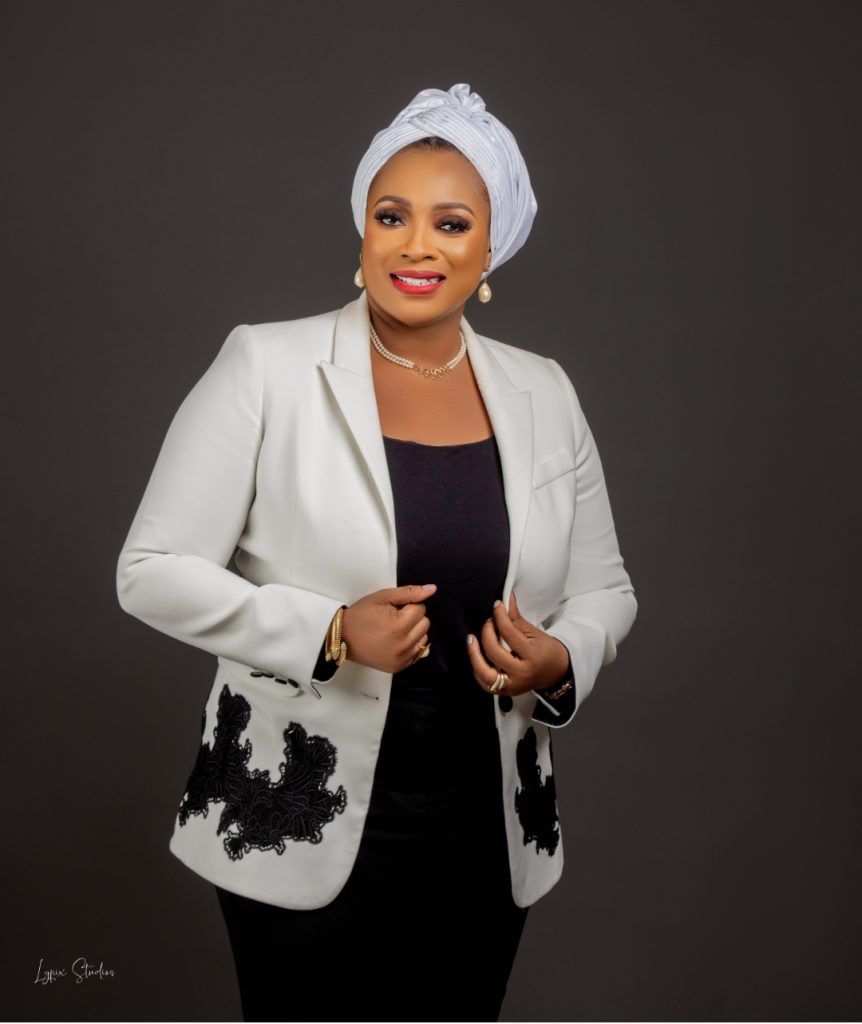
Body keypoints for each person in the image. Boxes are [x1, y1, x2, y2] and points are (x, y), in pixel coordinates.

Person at [116, 82, 637, 1022]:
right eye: (392, 216)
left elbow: (607, 588)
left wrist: (563, 659)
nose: (416, 244)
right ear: (362, 233)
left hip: (488, 826)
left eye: (451, 223)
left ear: (491, 249)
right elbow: (149, 571)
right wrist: (329, 631)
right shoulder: (267, 367)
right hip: (296, 808)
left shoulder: (545, 391)